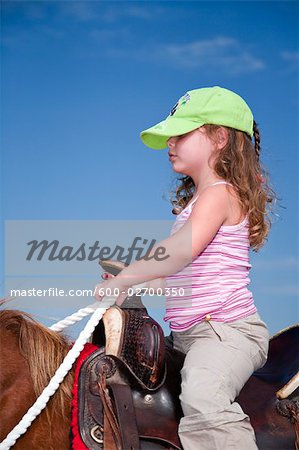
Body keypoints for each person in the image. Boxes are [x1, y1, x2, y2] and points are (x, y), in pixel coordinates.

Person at [95, 85, 277, 449]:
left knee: (203, 395)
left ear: (220, 137)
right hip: (189, 335)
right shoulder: (199, 203)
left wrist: (130, 275)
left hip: (227, 333)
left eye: (180, 133)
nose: (170, 143)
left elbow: (180, 251)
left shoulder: (221, 194)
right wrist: (137, 283)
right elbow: (183, 277)